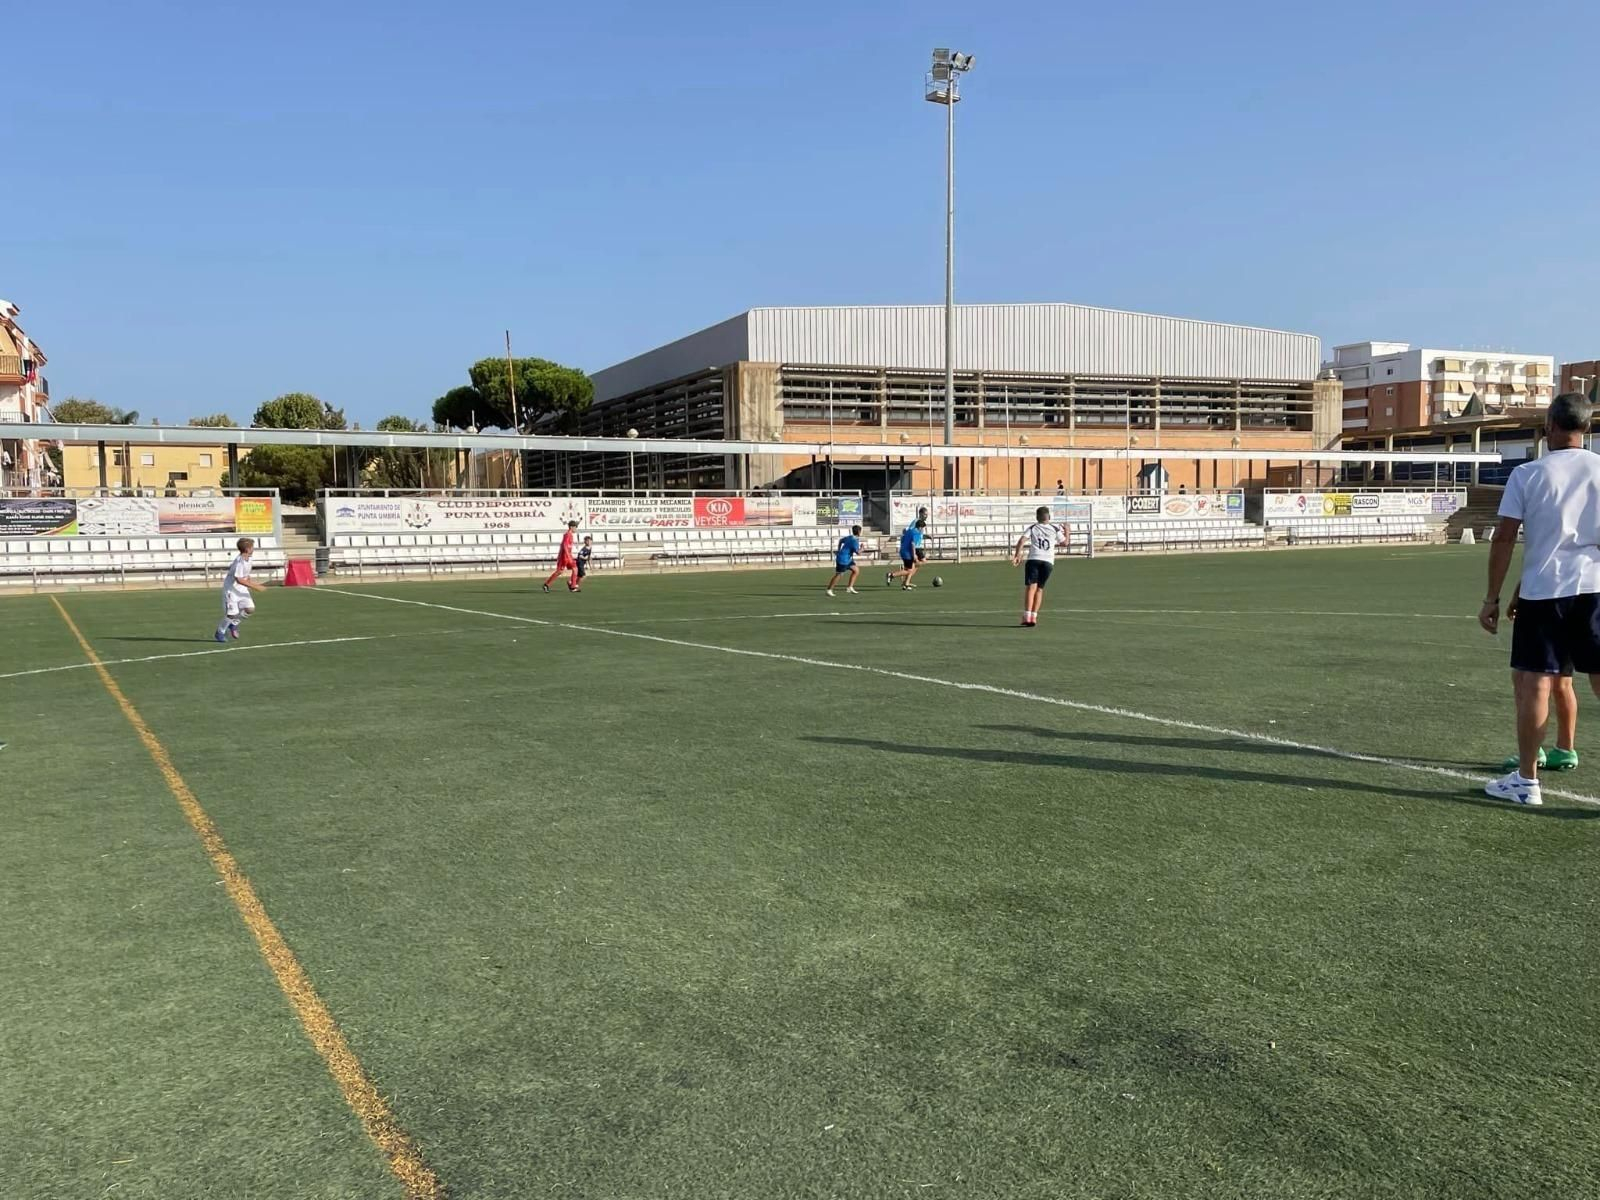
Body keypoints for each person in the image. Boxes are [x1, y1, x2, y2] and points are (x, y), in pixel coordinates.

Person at [1480, 393, 1600, 805]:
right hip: (1594, 590)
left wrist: (1493, 597)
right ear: (1587, 428)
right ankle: (1557, 754)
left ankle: (1527, 782)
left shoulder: (1528, 474)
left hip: (1546, 594)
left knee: (1535, 683)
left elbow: (1506, 537)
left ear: (1549, 424)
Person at [1498, 588, 1580, 772]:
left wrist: (1514, 594)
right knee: (1562, 681)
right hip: (1578, 597)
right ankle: (1565, 749)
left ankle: (1532, 754)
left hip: (1543, 596)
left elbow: (1539, 562)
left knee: (1525, 678)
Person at [1012, 505, 1069, 628]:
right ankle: (1034, 616)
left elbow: (1021, 541)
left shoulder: (1033, 527)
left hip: (1034, 559)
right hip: (1048, 562)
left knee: (1031, 588)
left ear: (1037, 517)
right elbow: (1065, 543)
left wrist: (1017, 555)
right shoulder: (1055, 529)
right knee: (1040, 589)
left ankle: (1027, 616)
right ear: (1049, 517)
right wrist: (1068, 531)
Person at [214, 537, 267, 643]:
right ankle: (220, 632)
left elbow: (246, 575)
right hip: (231, 590)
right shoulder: (239, 562)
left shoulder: (249, 558)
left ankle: (234, 624)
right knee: (231, 614)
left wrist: (249, 584)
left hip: (242, 589)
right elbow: (239, 579)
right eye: (252, 547)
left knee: (250, 609)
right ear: (247, 549)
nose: (253, 549)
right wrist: (256, 586)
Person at [887, 518, 927, 590]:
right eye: (923, 528)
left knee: (910, 568)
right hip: (908, 553)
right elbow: (913, 543)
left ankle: (906, 584)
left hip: (903, 551)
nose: (922, 530)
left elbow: (903, 539)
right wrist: (914, 554)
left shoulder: (909, 531)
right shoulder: (917, 533)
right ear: (920, 527)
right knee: (909, 570)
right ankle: (891, 575)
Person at [543, 520, 581, 593]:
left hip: (568, 556)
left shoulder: (570, 535)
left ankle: (573, 586)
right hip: (564, 557)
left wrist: (570, 556)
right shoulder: (567, 535)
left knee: (575, 568)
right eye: (576, 527)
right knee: (559, 571)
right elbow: (565, 546)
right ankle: (546, 584)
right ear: (571, 527)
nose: (576, 529)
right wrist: (568, 556)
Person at [827, 525, 864, 596]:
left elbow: (841, 541)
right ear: (859, 532)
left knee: (856, 570)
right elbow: (858, 553)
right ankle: (829, 589)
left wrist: (838, 550)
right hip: (843, 559)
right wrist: (862, 548)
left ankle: (849, 587)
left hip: (847, 559)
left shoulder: (850, 537)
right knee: (839, 575)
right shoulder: (854, 541)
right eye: (860, 531)